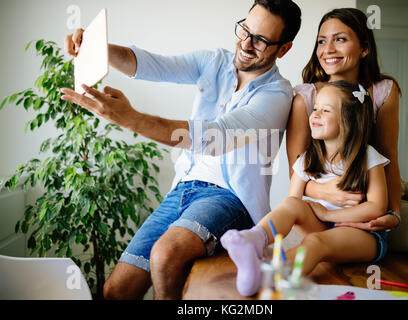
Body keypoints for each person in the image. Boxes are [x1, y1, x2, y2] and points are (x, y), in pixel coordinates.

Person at [61, 0, 302, 299]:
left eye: (261, 40)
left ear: (284, 49)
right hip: (182, 191)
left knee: (164, 256)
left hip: (229, 199)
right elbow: (153, 64)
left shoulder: (277, 94)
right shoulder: (214, 62)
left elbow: (216, 136)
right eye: (244, 30)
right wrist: (97, 48)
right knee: (115, 290)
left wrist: (130, 119)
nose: (246, 43)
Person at [221, 80, 390, 297]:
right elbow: (293, 204)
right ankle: (255, 239)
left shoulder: (367, 157)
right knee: (292, 204)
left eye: (325, 110)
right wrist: (314, 214)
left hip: (361, 234)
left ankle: (267, 276)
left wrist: (328, 213)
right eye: (316, 108)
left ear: (349, 120)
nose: (315, 114)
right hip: (323, 226)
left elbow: (377, 207)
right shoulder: (308, 159)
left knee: (315, 243)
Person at [286, 8, 402, 233]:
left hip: (376, 191)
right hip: (343, 201)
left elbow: (390, 158)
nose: (328, 49)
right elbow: (297, 173)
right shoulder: (305, 98)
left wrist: (394, 213)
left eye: (340, 39)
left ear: (365, 48)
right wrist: (327, 192)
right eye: (321, 41)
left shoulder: (383, 91)